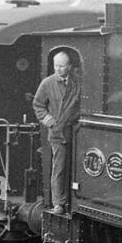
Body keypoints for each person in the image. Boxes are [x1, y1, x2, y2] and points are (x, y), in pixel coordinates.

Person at [33, 51, 80, 214]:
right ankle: (58, 203)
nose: (58, 69)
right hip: (57, 134)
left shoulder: (78, 82)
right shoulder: (47, 83)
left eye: (62, 66)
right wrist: (48, 120)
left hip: (76, 131)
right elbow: (38, 105)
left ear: (70, 66)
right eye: (56, 66)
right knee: (59, 168)